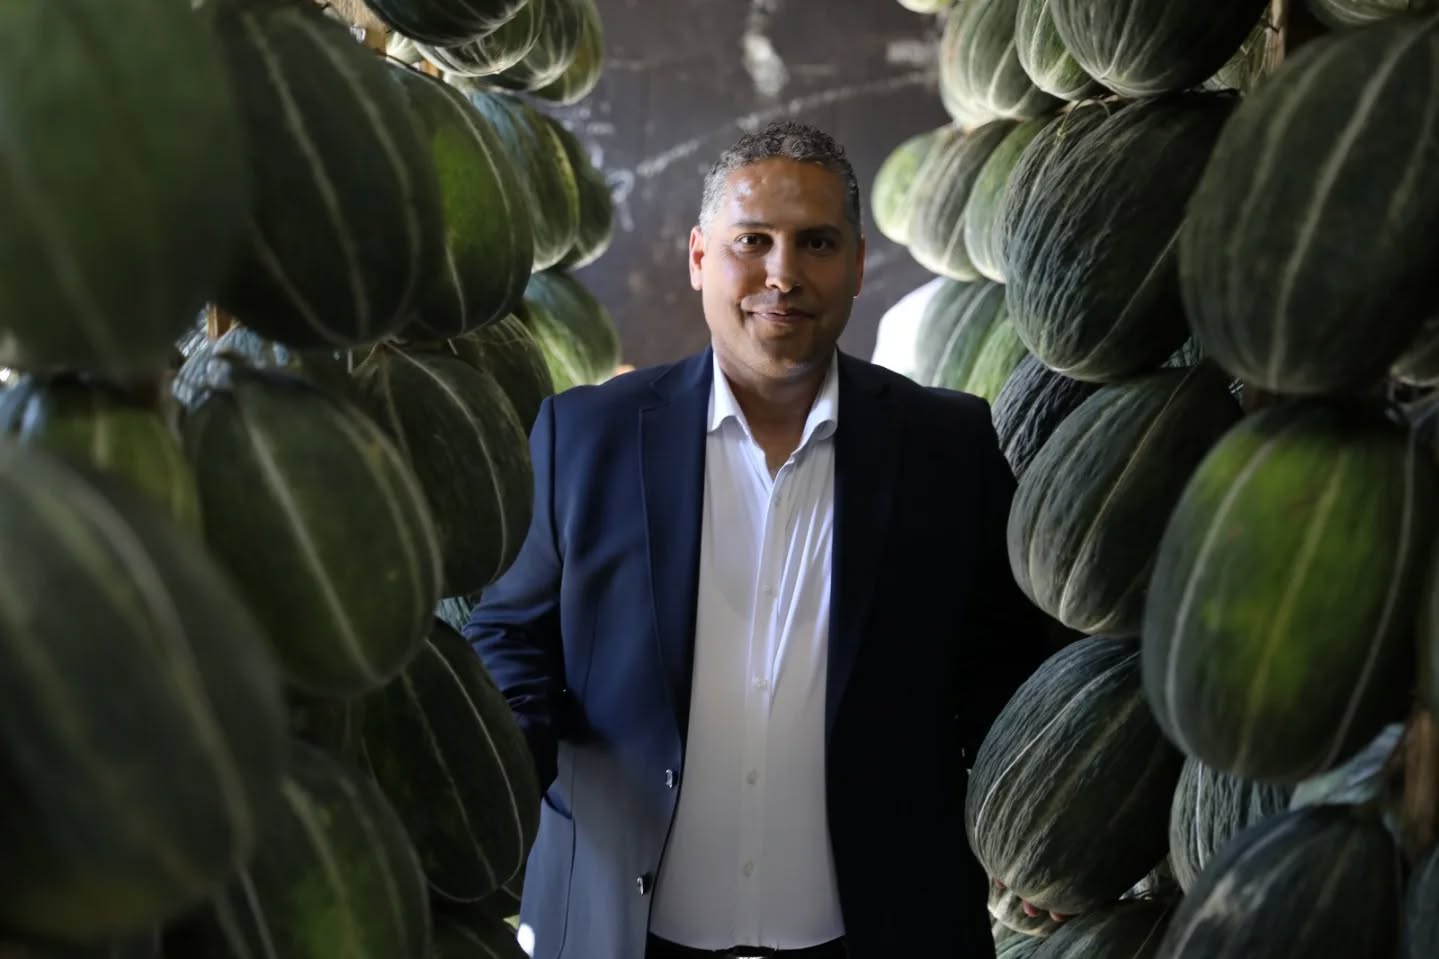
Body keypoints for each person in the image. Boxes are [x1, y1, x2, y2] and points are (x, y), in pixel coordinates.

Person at [464, 119, 1052, 959]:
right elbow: (510, 634)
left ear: (856, 264)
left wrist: (1036, 825)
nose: (782, 274)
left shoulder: (946, 445)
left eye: (816, 242)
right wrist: (500, 772)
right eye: (752, 241)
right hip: (617, 927)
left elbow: (1001, 668)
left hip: (884, 929)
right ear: (700, 257)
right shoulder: (583, 435)